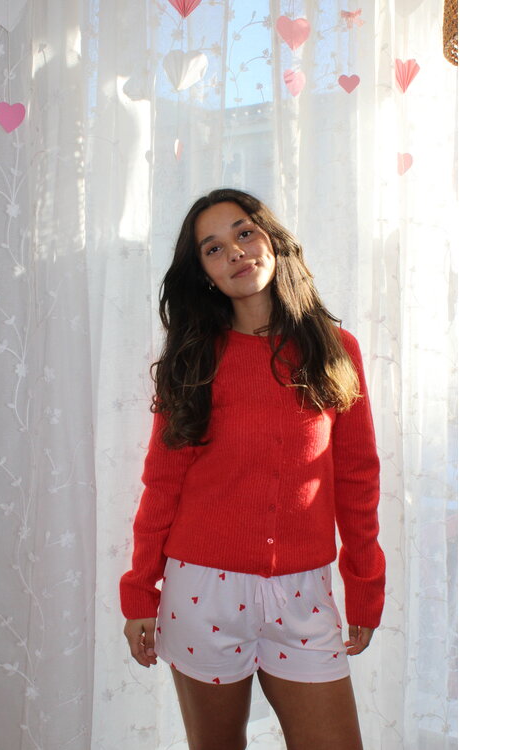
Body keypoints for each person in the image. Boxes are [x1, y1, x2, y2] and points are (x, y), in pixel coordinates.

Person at [120, 188, 385, 750]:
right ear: (204, 274)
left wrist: (365, 585)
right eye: (213, 248)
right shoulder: (193, 359)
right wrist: (140, 589)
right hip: (202, 590)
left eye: (244, 233)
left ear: (272, 240)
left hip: (304, 593)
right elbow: (162, 483)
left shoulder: (336, 349)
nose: (235, 252)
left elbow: (357, 478)